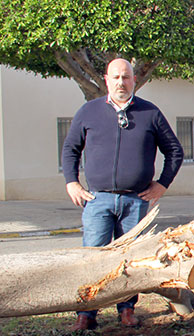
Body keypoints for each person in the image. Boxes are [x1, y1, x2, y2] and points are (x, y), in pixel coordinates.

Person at [62, 58, 184, 331]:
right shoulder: (88, 112)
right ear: (106, 79)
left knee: (129, 261)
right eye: (116, 77)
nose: (121, 82)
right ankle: (86, 313)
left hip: (135, 201)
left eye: (126, 77)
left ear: (133, 81)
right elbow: (70, 148)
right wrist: (72, 182)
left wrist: (162, 184)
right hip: (97, 200)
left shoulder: (149, 112)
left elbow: (174, 151)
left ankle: (127, 310)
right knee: (93, 259)